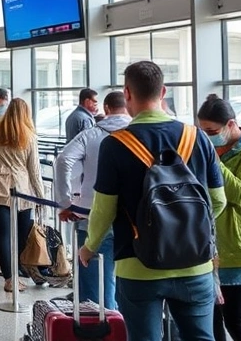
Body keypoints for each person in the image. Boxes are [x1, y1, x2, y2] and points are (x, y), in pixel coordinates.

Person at [78, 61, 225, 341]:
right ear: (164, 92)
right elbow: (217, 201)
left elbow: (104, 209)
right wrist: (184, 229)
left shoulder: (115, 144)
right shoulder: (198, 138)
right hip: (195, 263)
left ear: (127, 93)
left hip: (138, 267)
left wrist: (89, 247)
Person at [195, 94, 241, 341]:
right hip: (206, 246)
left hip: (240, 247)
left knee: (236, 321)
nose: (207, 136)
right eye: (202, 131)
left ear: (230, 124)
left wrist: (214, 161)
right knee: (210, 322)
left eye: (211, 130)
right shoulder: (208, 148)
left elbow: (240, 193)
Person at [54, 91, 131, 309]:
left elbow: (63, 161)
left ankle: (100, 327)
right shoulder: (139, 133)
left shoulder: (91, 135)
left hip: (91, 214)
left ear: (106, 108)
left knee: (93, 282)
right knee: (130, 282)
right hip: (135, 219)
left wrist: (66, 202)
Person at [0, 98, 45, 293]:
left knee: (2, 233)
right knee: (20, 234)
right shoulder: (29, 136)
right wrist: (41, 197)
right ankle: (13, 274)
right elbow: (34, 170)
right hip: (21, 190)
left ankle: (9, 278)